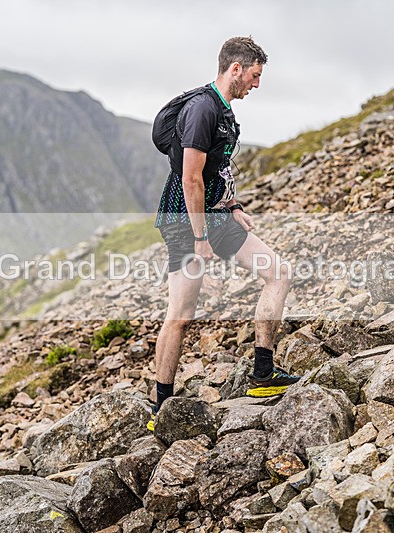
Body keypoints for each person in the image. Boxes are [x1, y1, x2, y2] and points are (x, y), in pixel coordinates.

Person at [149, 37, 299, 431]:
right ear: (236, 69)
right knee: (181, 316)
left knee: (278, 273)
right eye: (254, 75)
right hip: (185, 219)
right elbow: (191, 177)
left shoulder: (226, 111)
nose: (256, 84)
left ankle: (263, 376)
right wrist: (200, 238)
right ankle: (159, 411)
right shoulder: (201, 109)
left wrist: (232, 206)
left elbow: (217, 171)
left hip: (217, 217)